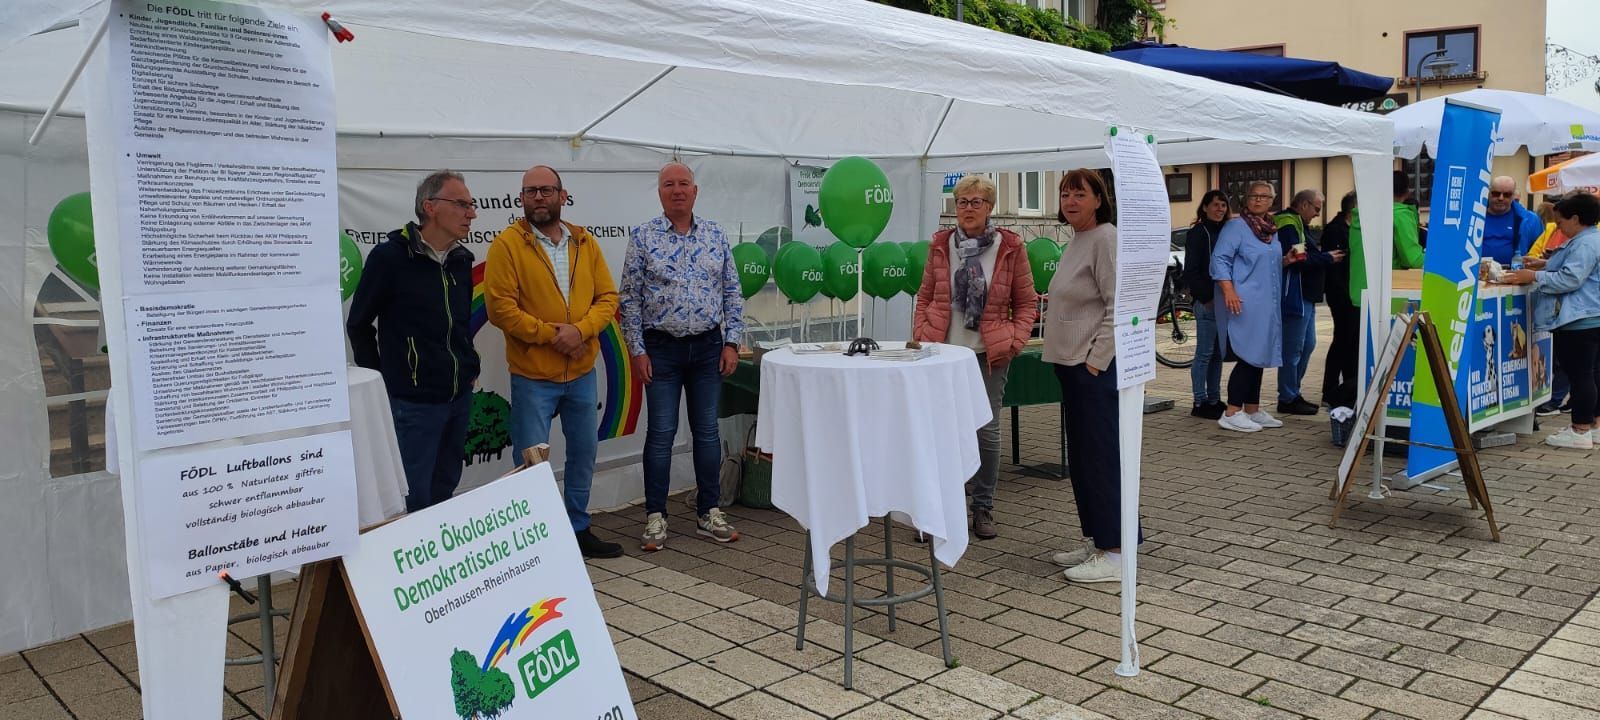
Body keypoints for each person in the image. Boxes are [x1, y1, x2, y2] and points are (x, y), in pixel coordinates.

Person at [484, 165, 624, 559]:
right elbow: (500, 309)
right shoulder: (506, 246)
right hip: (533, 376)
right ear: (521, 199)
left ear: (563, 195)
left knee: (584, 453)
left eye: (546, 190)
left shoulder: (584, 242)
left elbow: (607, 298)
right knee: (531, 462)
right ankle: (535, 540)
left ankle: (578, 528)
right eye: (530, 191)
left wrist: (580, 332)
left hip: (581, 373)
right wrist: (555, 335)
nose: (538, 198)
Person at [620, 162, 743, 551]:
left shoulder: (715, 235)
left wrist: (732, 342)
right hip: (661, 350)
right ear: (659, 193)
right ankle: (655, 516)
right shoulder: (643, 237)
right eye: (669, 184)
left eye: (684, 184)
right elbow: (629, 298)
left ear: (695, 191)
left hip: (708, 348)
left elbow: (731, 291)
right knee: (661, 434)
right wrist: (637, 350)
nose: (677, 190)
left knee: (707, 432)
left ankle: (709, 512)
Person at [347, 170, 482, 512]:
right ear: (430, 207)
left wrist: (469, 365)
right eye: (462, 204)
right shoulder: (390, 258)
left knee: (445, 485)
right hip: (414, 404)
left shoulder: (462, 260)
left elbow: (460, 324)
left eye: (471, 205)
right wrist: (383, 380)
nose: (471, 214)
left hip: (458, 397)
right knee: (412, 496)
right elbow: (359, 324)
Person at [912, 175, 1037, 540]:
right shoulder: (940, 244)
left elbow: (1026, 302)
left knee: (986, 431)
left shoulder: (1009, 246)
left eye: (976, 202)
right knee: (941, 431)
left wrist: (1014, 340)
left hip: (987, 354)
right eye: (962, 202)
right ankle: (940, 510)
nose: (968, 208)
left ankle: (982, 507)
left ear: (989, 207)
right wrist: (922, 332)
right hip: (943, 353)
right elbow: (925, 295)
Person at [1042, 169, 1138, 583]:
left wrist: (1097, 360)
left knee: (1100, 458)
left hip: (1091, 367)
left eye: (1079, 194)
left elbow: (1120, 306)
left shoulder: (1105, 238)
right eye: (1065, 194)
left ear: (1099, 199)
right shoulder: (1078, 239)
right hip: (1071, 364)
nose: (1070, 201)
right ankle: (1098, 538)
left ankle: (1116, 552)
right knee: (1083, 460)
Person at [1503, 192, 1600, 449]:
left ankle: (1579, 430)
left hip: (1578, 318)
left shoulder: (1584, 244)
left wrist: (1534, 277)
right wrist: (1545, 264)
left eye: (1561, 223)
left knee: (1581, 375)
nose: (1559, 228)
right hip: (1590, 316)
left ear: (1575, 219)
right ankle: (1593, 425)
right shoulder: (1592, 239)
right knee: (1592, 373)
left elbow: (1571, 279)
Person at [1212, 181, 1295, 433]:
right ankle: (1232, 412)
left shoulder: (1270, 229)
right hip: (1244, 301)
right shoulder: (1236, 226)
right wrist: (1228, 290)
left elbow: (1264, 263)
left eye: (1264, 196)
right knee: (1248, 354)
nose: (1258, 200)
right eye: (1253, 196)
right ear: (1246, 199)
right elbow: (1219, 259)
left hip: (1266, 303)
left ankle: (1252, 409)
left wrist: (1285, 261)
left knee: (1259, 355)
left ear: (1272, 200)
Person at [1274, 190, 1344, 415]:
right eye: (1316, 208)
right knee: (1293, 349)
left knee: (1307, 345)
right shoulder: (1289, 224)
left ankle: (1293, 392)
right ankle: (1288, 397)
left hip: (1307, 295)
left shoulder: (1297, 224)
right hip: (1297, 295)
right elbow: (1298, 259)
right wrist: (1327, 257)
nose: (1317, 214)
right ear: (1304, 205)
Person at [1183, 190, 1230, 419]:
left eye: (1223, 205)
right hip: (1208, 302)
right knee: (1204, 353)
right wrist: (1206, 298)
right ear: (1205, 207)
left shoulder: (1226, 231)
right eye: (1215, 205)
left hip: (1223, 301)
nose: (1220, 209)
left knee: (1218, 354)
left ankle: (1214, 399)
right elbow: (1191, 269)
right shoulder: (1198, 233)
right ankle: (1199, 402)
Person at [1348, 170, 1426, 307]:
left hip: (1360, 293)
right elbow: (1413, 259)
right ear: (1407, 192)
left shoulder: (1361, 216)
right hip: (1385, 296)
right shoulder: (1399, 215)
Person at [1320, 192, 1361, 409]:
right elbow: (1335, 269)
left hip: (1350, 293)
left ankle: (1347, 388)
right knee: (1342, 341)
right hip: (1342, 296)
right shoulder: (1336, 230)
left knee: (1349, 342)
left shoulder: (1350, 228)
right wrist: (1344, 295)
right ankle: (1331, 390)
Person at [1482, 176, 1544, 267]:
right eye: (1496, 193)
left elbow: (1539, 250)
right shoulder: (1475, 215)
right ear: (1488, 193)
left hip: (1514, 273)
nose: (1501, 198)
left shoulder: (1531, 220)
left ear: (1513, 196)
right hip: (1478, 272)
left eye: (1507, 195)